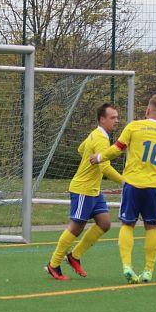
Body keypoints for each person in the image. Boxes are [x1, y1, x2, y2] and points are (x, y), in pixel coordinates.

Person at [91, 95, 156, 284]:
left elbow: (117, 149)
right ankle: (148, 271)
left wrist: (99, 158)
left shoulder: (134, 126)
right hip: (154, 188)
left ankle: (127, 266)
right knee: (152, 226)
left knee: (127, 224)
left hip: (132, 184)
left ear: (148, 110)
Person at [46, 103, 124, 280]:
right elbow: (105, 167)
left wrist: (90, 161)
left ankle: (74, 256)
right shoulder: (101, 138)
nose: (117, 120)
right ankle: (53, 264)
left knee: (104, 223)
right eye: (113, 117)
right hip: (83, 189)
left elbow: (81, 149)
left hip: (94, 190)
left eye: (117, 117)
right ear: (102, 119)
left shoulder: (96, 134)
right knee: (77, 227)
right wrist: (125, 182)